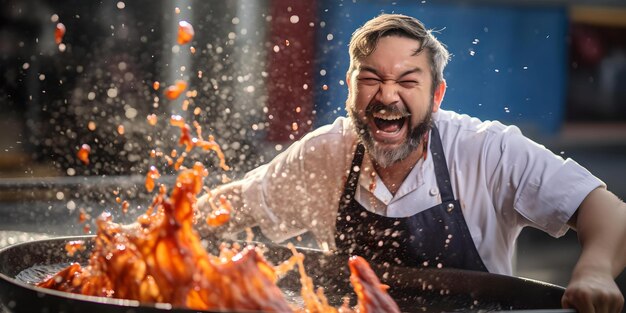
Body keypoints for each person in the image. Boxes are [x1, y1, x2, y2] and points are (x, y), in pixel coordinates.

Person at [197, 14, 626, 312]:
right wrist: (170, 222)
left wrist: (595, 272)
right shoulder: (326, 152)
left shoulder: (485, 150)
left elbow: (604, 209)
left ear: (437, 95)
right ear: (350, 88)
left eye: (407, 81)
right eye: (371, 79)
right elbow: (239, 203)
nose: (387, 96)